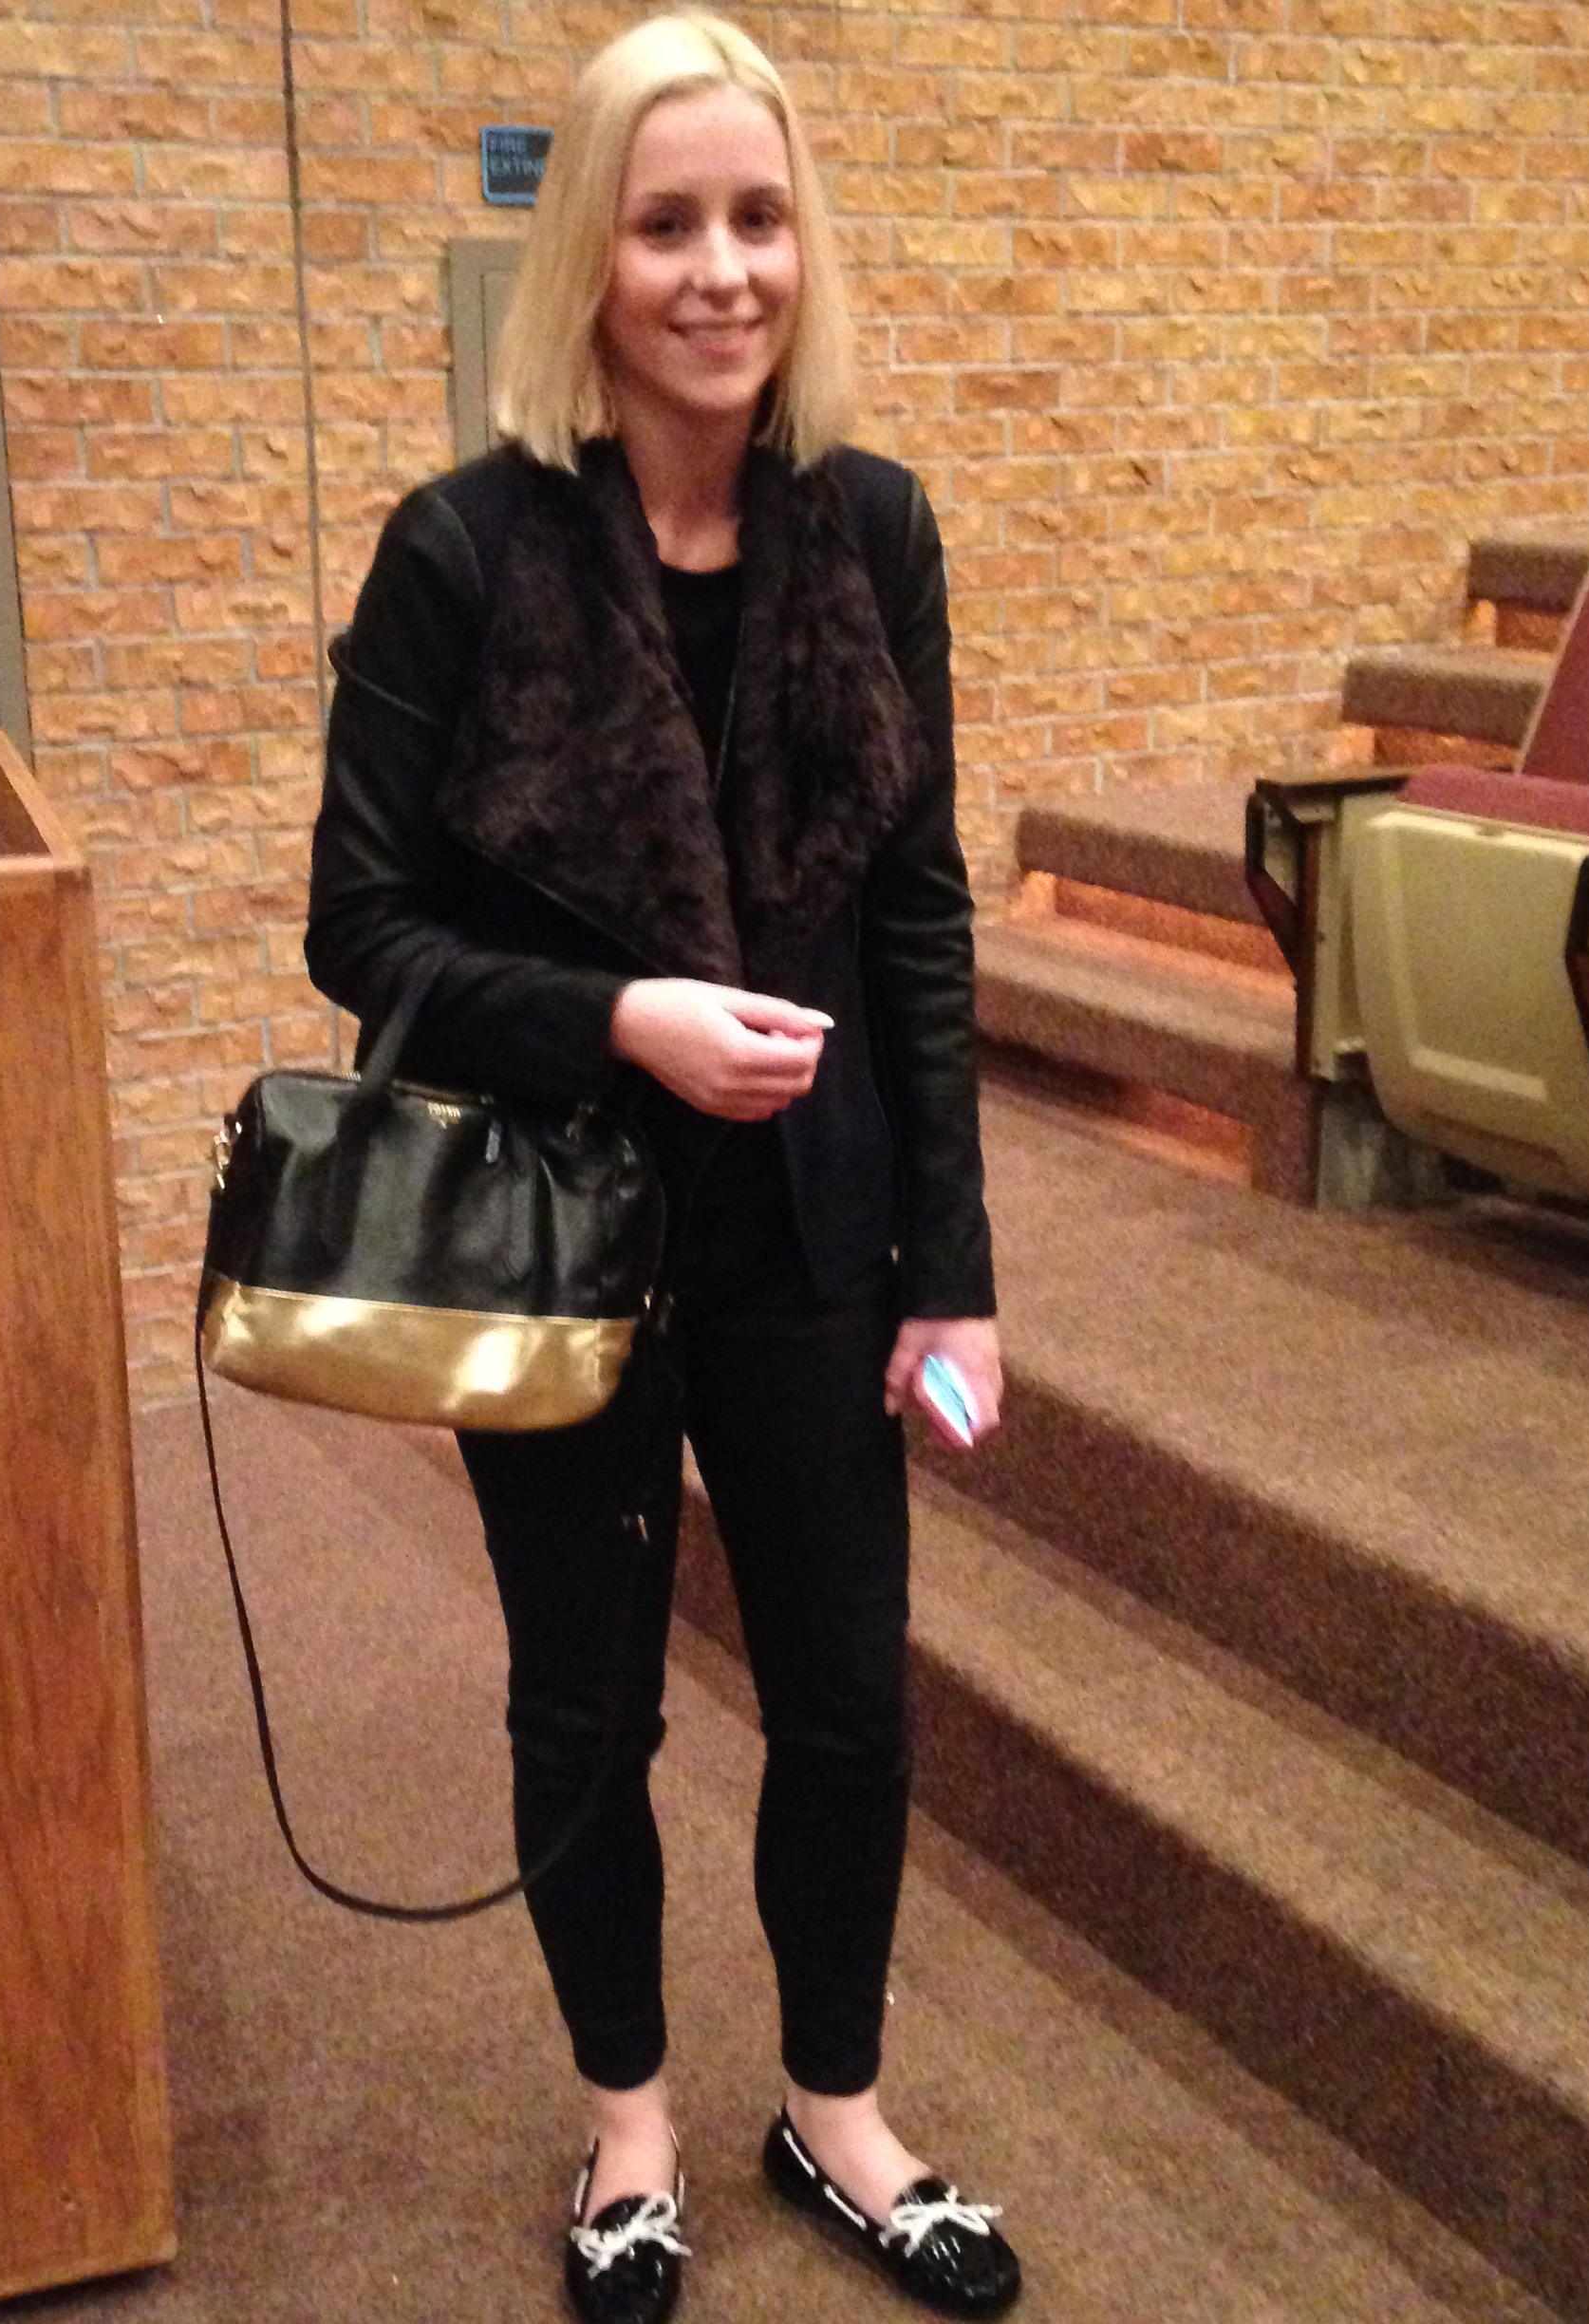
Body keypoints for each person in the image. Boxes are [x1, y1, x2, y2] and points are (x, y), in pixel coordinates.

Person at [305, 14, 1019, 2318]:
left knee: (850, 1699)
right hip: (562, 1234)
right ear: (589, 261)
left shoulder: (871, 527)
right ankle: (628, 2127)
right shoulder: (465, 549)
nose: (723, 270)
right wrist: (620, 1013)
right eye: (669, 222)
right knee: (583, 1708)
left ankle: (837, 2113)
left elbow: (915, 915)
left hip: (815, 1229)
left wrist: (955, 1269)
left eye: (761, 218)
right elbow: (361, 930)